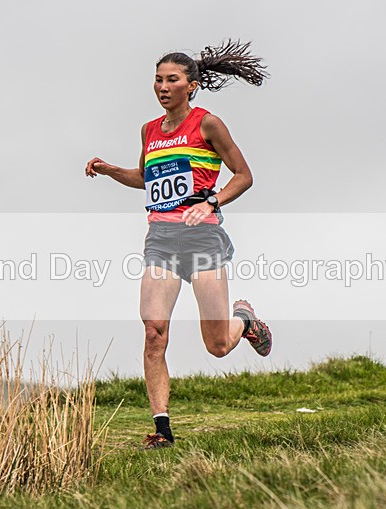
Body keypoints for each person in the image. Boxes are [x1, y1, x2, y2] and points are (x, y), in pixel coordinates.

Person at [85, 40, 271, 449]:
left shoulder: (208, 124)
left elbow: (244, 175)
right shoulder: (149, 131)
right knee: (154, 332)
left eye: (172, 80)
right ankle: (162, 430)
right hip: (162, 241)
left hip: (203, 238)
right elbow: (145, 178)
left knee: (217, 345)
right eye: (158, 80)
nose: (163, 87)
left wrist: (212, 202)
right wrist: (111, 170)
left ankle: (245, 321)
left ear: (192, 86)